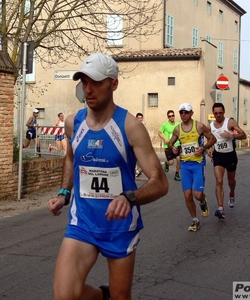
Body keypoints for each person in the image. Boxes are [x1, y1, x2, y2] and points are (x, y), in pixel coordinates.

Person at [47, 53, 168, 300]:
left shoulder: (130, 126)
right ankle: (102, 297)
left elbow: (160, 182)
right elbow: (71, 158)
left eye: (96, 82)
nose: (88, 90)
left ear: (113, 84)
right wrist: (63, 193)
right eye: (83, 82)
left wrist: (129, 197)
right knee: (65, 295)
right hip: (82, 224)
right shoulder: (73, 123)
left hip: (119, 228)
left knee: (121, 296)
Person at [168, 103, 216, 232]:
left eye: (186, 112)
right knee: (188, 195)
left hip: (198, 164)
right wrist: (173, 147)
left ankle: (202, 202)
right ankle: (195, 220)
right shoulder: (177, 129)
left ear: (191, 113)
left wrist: (204, 148)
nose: (183, 114)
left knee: (197, 194)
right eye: (181, 112)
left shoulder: (199, 126)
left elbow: (213, 139)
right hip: (185, 165)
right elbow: (171, 143)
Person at [207, 103, 246, 219]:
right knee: (219, 181)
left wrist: (231, 136)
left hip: (230, 155)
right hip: (218, 156)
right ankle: (220, 208)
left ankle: (232, 193)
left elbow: (243, 135)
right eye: (216, 113)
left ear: (223, 112)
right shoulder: (210, 127)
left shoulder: (230, 122)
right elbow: (209, 139)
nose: (218, 115)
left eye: (220, 113)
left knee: (231, 180)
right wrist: (209, 148)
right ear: (213, 114)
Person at [158, 110, 181, 181]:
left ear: (174, 116)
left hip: (177, 145)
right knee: (171, 162)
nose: (171, 117)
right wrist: (165, 139)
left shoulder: (178, 124)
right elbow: (159, 133)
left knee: (178, 159)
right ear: (168, 117)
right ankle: (167, 163)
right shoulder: (165, 125)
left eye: (172, 115)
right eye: (169, 116)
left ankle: (177, 174)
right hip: (168, 146)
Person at [135, 112, 145, 177]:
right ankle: (137, 170)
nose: (140, 119)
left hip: (141, 143)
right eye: (139, 118)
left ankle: (139, 169)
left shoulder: (143, 124)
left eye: (141, 118)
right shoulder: (134, 125)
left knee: (141, 157)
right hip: (135, 143)